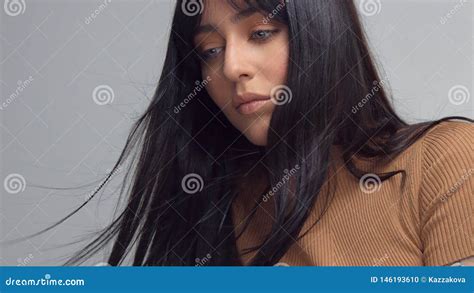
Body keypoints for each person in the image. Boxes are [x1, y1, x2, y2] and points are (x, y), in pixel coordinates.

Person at [43, 0, 474, 266]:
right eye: (210, 50)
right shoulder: (219, 205)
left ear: (324, 33)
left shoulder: (446, 161)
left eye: (261, 32)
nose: (231, 67)